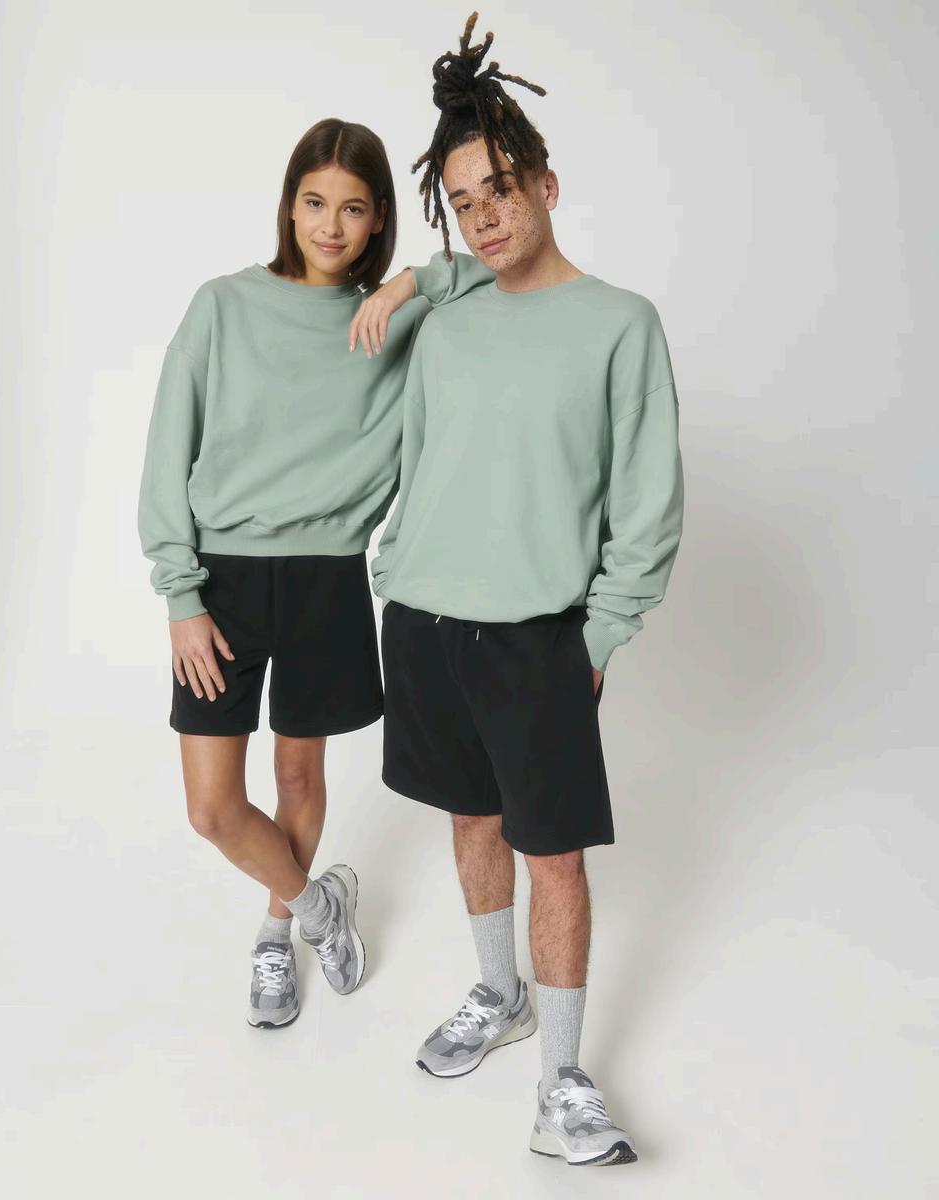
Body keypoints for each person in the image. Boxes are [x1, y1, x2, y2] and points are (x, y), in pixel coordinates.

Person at [367, 14, 684, 1166]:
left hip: (538, 634)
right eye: (462, 202)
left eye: (500, 189)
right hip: (424, 619)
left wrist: (596, 637)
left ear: (545, 184)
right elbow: (410, 447)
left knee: (555, 852)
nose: (485, 215)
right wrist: (391, 573)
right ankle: (496, 993)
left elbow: (648, 504)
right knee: (471, 818)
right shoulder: (448, 312)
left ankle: (560, 1085)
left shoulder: (619, 325)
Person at [137, 116, 494, 1031]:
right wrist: (180, 594)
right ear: (289, 206)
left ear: (379, 220)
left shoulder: (392, 319)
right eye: (313, 202)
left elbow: (503, 270)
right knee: (213, 807)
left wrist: (413, 281)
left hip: (327, 580)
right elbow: (167, 448)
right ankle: (316, 906)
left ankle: (274, 934)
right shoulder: (222, 306)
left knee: (299, 777)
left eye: (354, 208)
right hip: (220, 582)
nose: (330, 226)